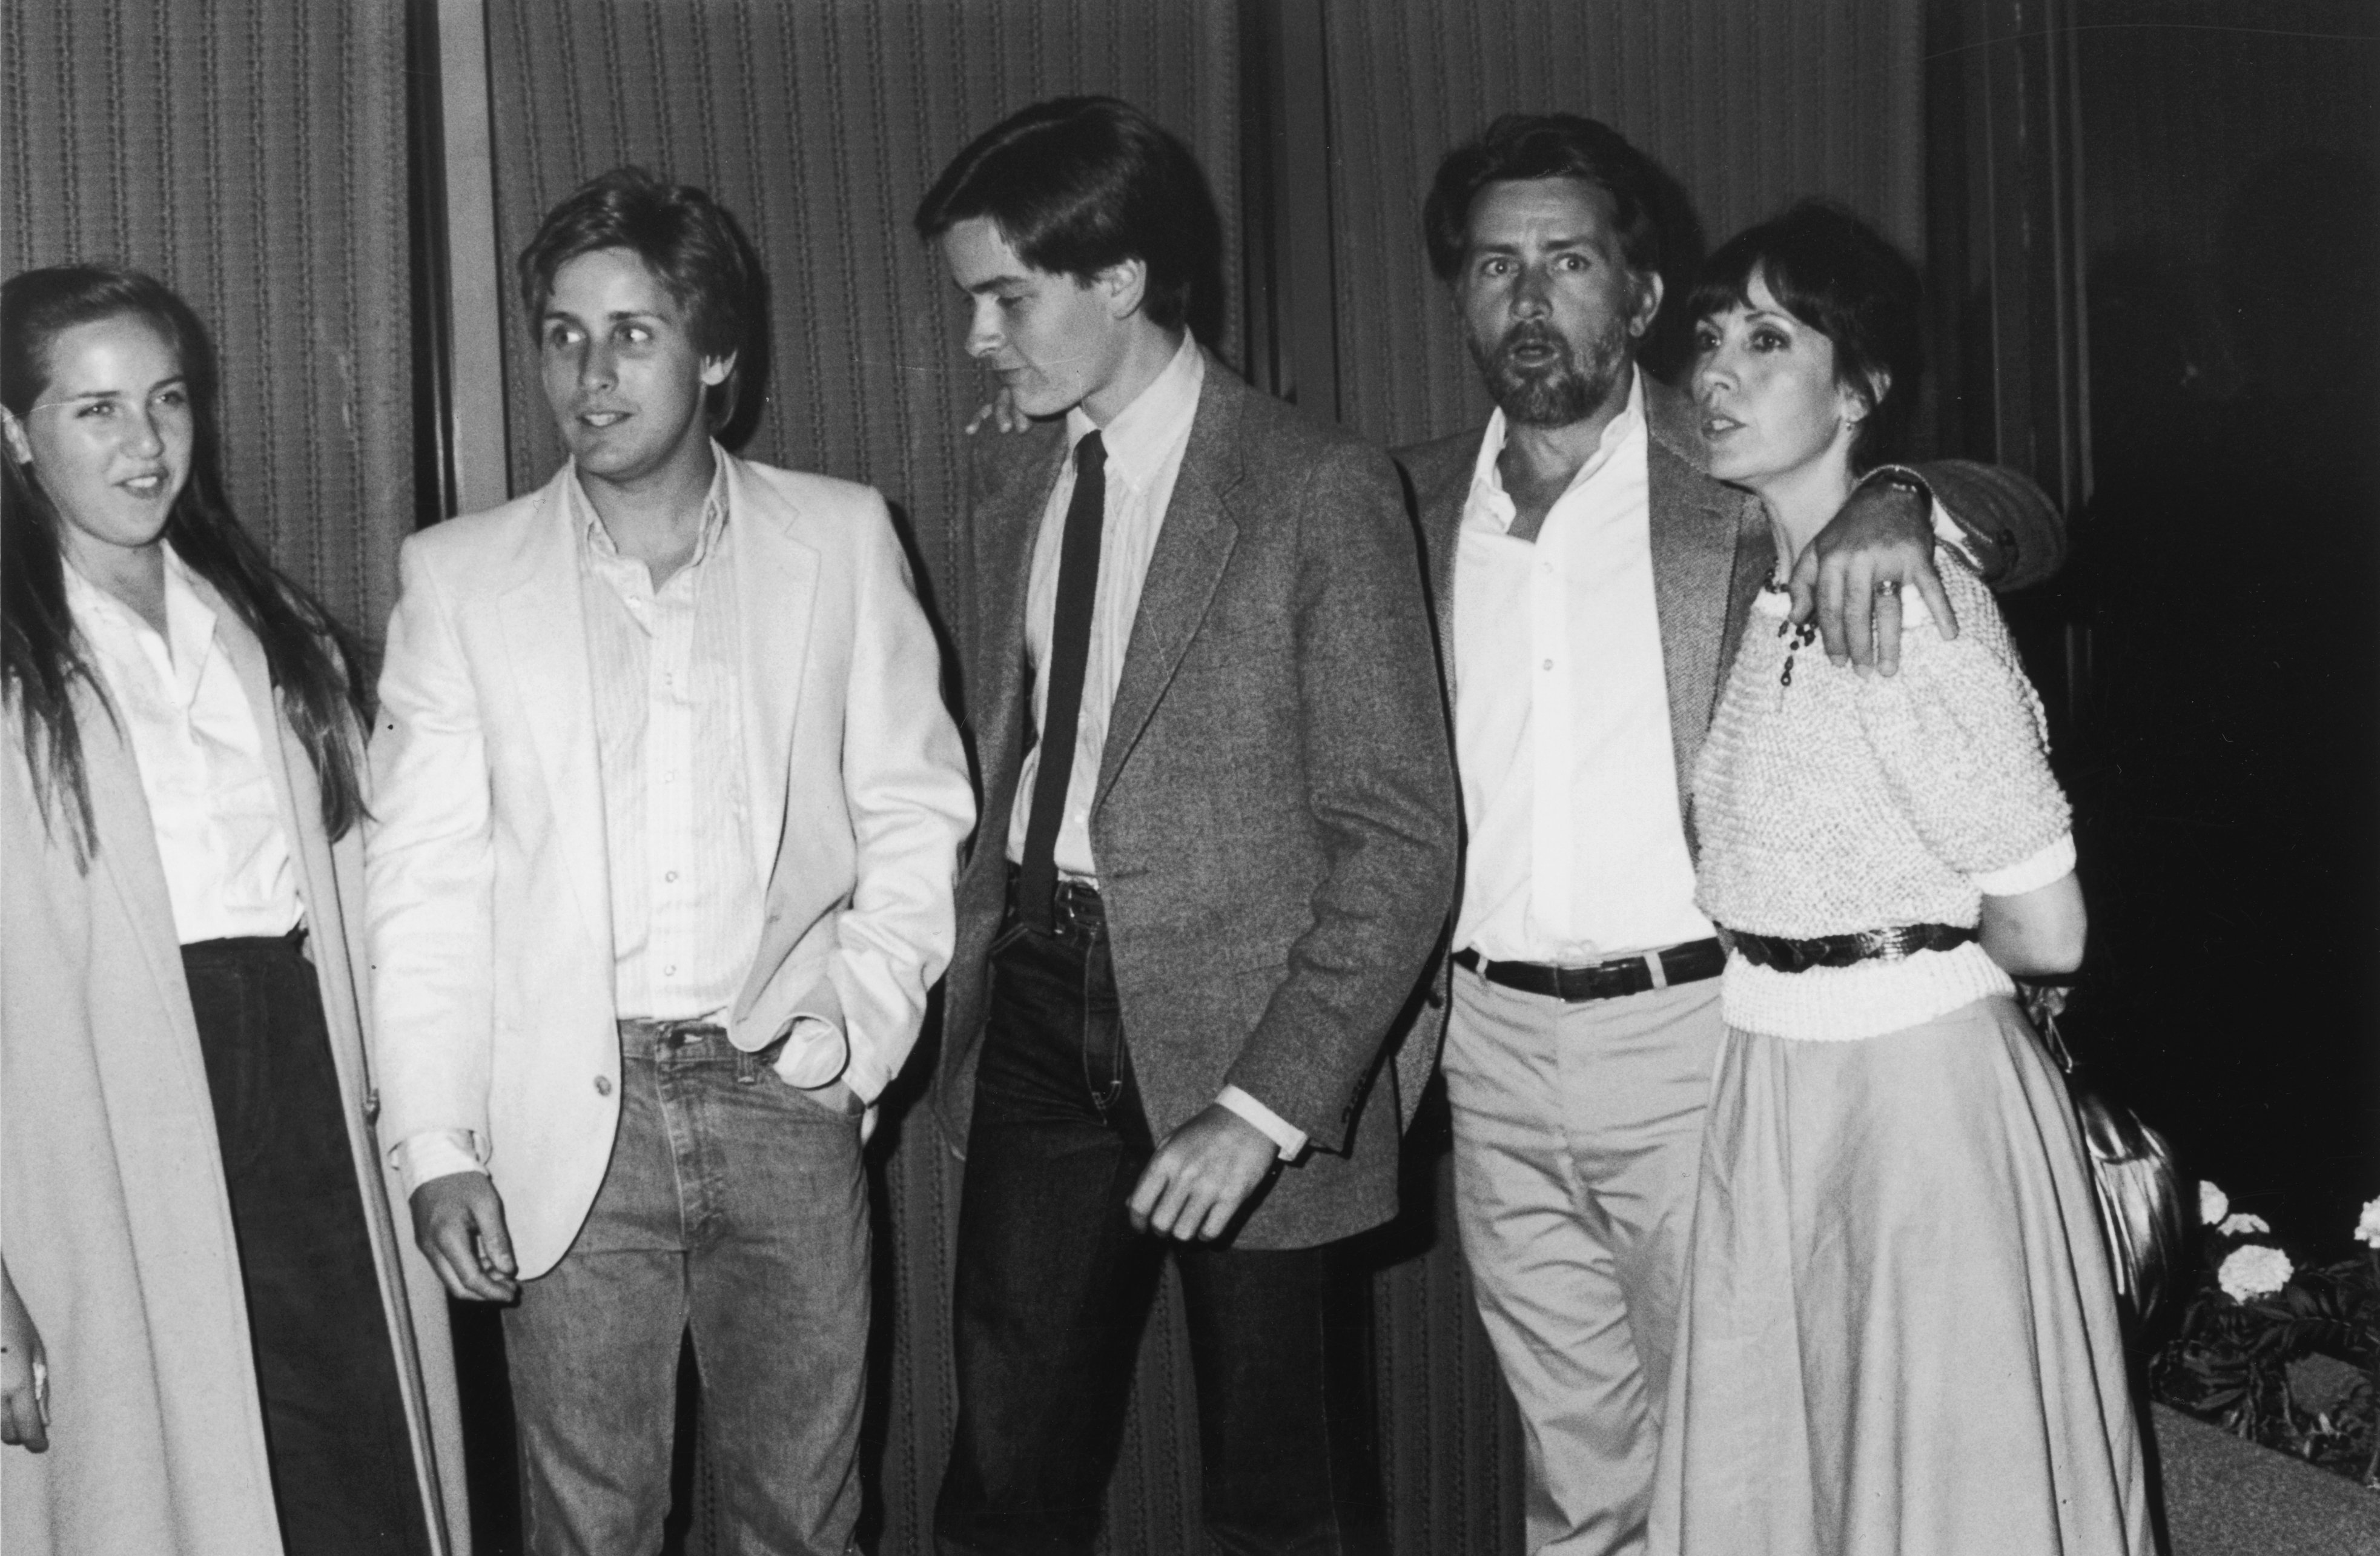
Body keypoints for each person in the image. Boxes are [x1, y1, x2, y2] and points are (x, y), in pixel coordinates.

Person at [1392, 115, 2070, 1556]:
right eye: (1495, 264)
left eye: (1568, 260)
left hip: (1704, 1033)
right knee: (1577, 1475)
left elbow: (2020, 515)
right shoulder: (1400, 501)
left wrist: (1909, 494)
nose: (1528, 296)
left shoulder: (1729, 476)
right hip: (1491, 1052)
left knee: (1756, 1463)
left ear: (1640, 300)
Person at [366, 168, 973, 1555]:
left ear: (716, 356)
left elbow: (914, 809)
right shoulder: (458, 577)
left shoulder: (840, 536)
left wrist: (852, 1037)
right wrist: (439, 1144)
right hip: (568, 1116)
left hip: (782, 1086)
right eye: (565, 334)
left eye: (633, 332)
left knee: (802, 1521)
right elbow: (426, 885)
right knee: (591, 1527)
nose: (590, 371)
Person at [917, 97, 1458, 1555]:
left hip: (1251, 1035)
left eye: (1006, 300)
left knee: (1282, 1492)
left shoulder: (1316, 488)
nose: (980, 340)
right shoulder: (1015, 483)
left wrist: (1266, 1103)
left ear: (1122, 279)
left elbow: (1403, 839)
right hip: (1040, 1000)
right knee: (1006, 1467)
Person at [1644, 200, 2148, 1555]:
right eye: (1710, 338)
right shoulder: (1786, 595)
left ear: (1861, 390)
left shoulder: (1900, 595)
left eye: (1770, 338)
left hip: (1913, 1112)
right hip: (1778, 1086)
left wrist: (1905, 950)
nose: (1720, 373)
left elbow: (2049, 926)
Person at [0, 265, 466, 1555]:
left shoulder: (267, 632)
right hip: (95, 1120)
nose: (145, 444)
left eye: (165, 401)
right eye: (93, 411)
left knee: (347, 1465)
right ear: (12, 433)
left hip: (305, 1082)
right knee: (167, 1488)